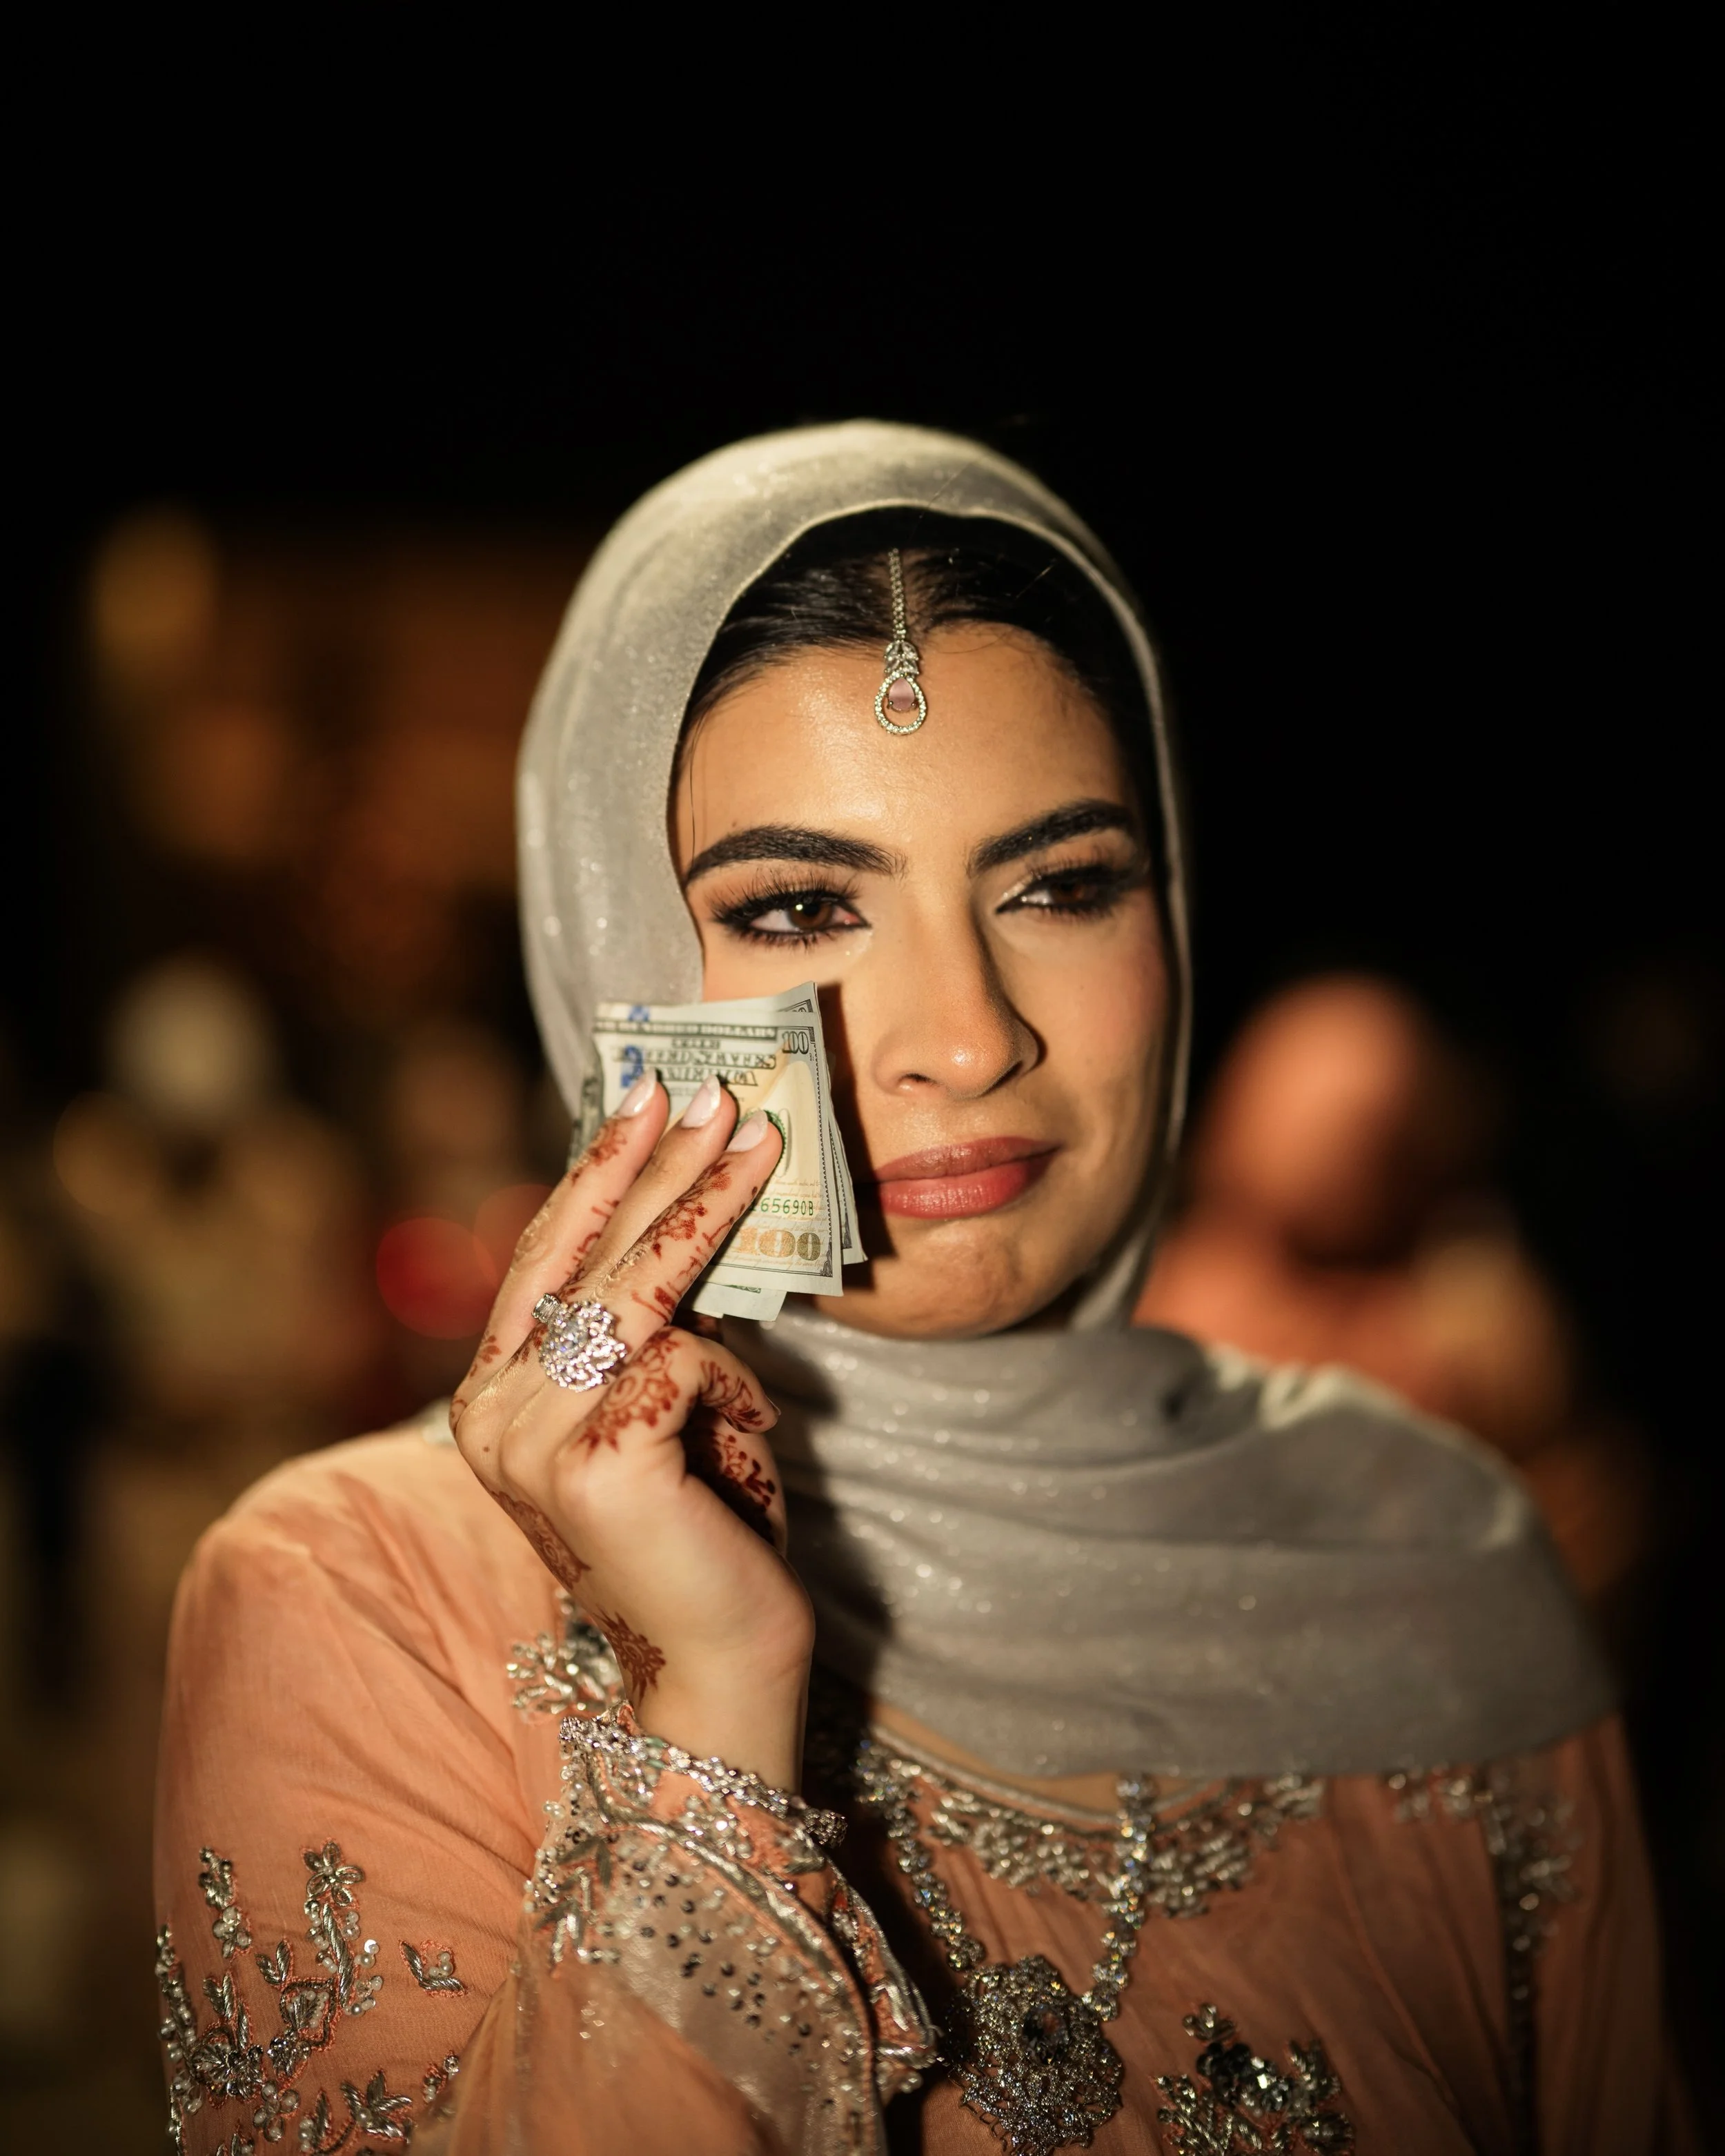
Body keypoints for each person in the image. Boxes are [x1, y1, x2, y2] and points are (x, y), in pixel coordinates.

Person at [152, 426, 1690, 2155]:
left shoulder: (1435, 1557)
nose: (970, 1039)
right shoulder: (364, 1597)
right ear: (612, 962)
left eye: (1062, 884)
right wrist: (718, 1698)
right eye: (804, 905)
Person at [1135, 976, 1650, 1608]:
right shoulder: (1168, 1288)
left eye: (1361, 1130)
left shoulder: (1474, 1315)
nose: (1321, 1153)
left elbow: (1585, 1522)